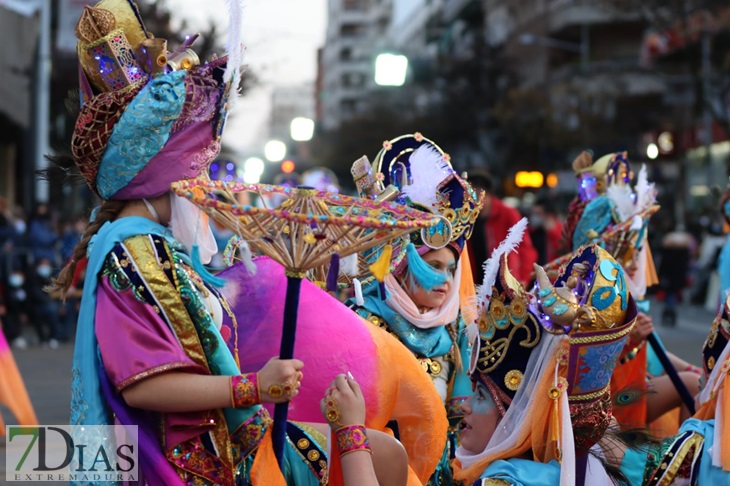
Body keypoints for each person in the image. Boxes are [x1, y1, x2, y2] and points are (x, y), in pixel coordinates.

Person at [52, 2, 410, 484]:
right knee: (377, 454)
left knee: (382, 451)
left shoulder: (157, 247)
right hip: (186, 458)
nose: (203, 189)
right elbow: (143, 385)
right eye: (195, 172)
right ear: (165, 178)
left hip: (216, 433)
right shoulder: (133, 252)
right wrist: (253, 387)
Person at [346, 133, 483, 485]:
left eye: (452, 270)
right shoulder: (363, 323)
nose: (446, 281)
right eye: (434, 266)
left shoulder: (453, 333)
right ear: (402, 267)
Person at [453, 228, 639, 485]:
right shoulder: (580, 470)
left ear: (516, 414)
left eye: (482, 394)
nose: (465, 405)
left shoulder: (503, 482)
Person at [468, 169, 537, 286]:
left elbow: (526, 249)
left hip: (505, 283)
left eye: (479, 192)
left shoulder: (508, 214)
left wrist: (522, 281)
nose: (475, 198)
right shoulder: (467, 216)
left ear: (488, 193)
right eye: (471, 194)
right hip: (476, 284)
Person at [529, 197, 564, 265]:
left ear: (549, 216)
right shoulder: (535, 232)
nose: (534, 217)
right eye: (533, 213)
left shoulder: (562, 232)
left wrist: (551, 232)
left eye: (538, 214)